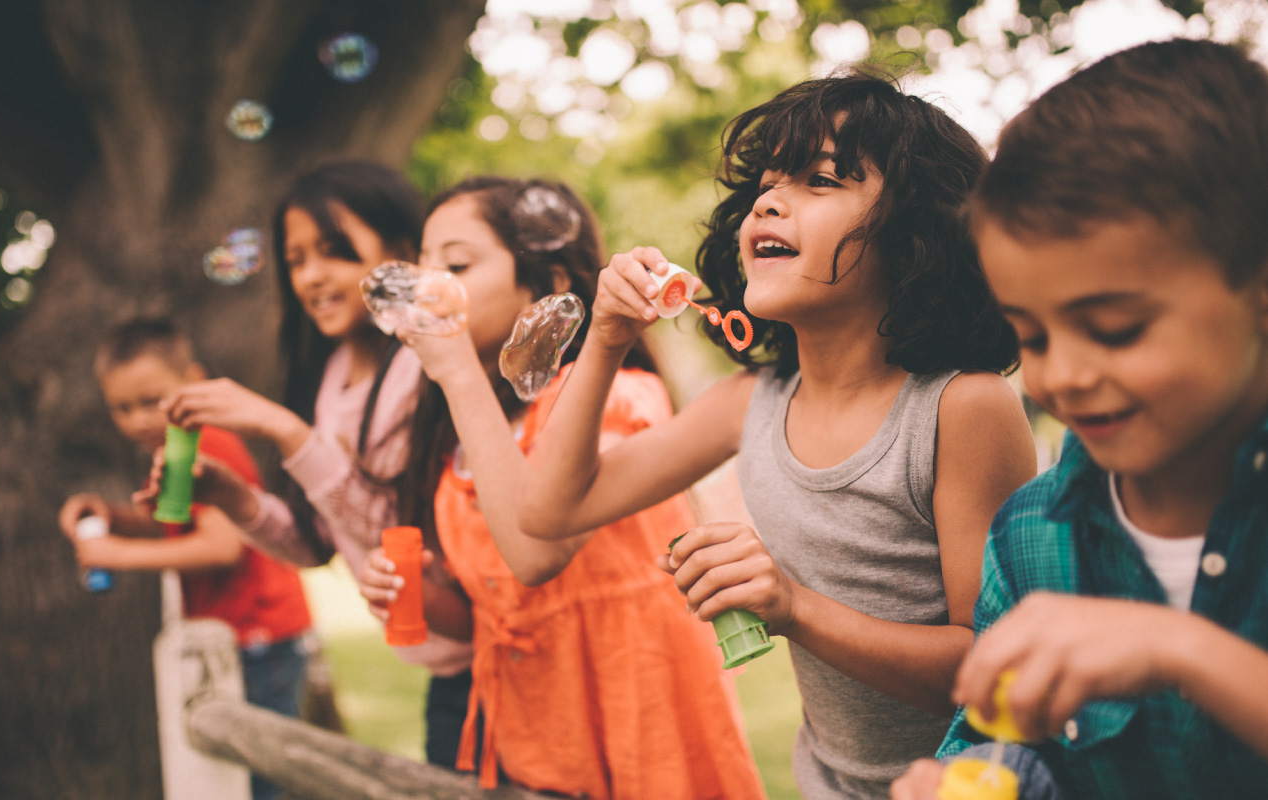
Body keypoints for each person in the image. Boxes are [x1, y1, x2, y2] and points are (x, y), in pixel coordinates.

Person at [515, 73, 1039, 799]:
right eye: (764, 185)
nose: (769, 200)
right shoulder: (751, 403)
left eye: (821, 179)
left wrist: (793, 607)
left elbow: (997, 672)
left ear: (916, 231)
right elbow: (550, 512)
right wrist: (604, 340)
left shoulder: (961, 408)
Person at [890, 39, 1268, 800]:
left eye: (1116, 329)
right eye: (1031, 335)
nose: (1059, 374)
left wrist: (1186, 651)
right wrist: (973, 780)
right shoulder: (1031, 534)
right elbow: (1004, 736)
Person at [356, 175, 767, 799]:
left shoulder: (615, 401)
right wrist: (407, 595)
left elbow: (537, 555)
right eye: (421, 262)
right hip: (536, 737)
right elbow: (494, 611)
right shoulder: (468, 438)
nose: (424, 283)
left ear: (546, 286)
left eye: (456, 263)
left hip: (638, 719)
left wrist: (458, 374)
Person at [160, 161, 474, 768]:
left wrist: (290, 433)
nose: (311, 276)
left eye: (335, 251)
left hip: (488, 654)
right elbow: (316, 543)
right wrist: (234, 498)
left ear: (405, 253)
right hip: (446, 677)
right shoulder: (325, 378)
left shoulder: (427, 370)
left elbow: (392, 529)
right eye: (296, 259)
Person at [58, 317, 313, 800]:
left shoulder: (208, 442)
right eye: (121, 407)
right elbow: (181, 525)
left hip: (261, 637)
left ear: (194, 382)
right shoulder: (173, 446)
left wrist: (118, 553)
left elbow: (221, 546)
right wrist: (114, 518)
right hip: (235, 637)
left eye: (151, 401)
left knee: (258, 779)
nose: (137, 419)